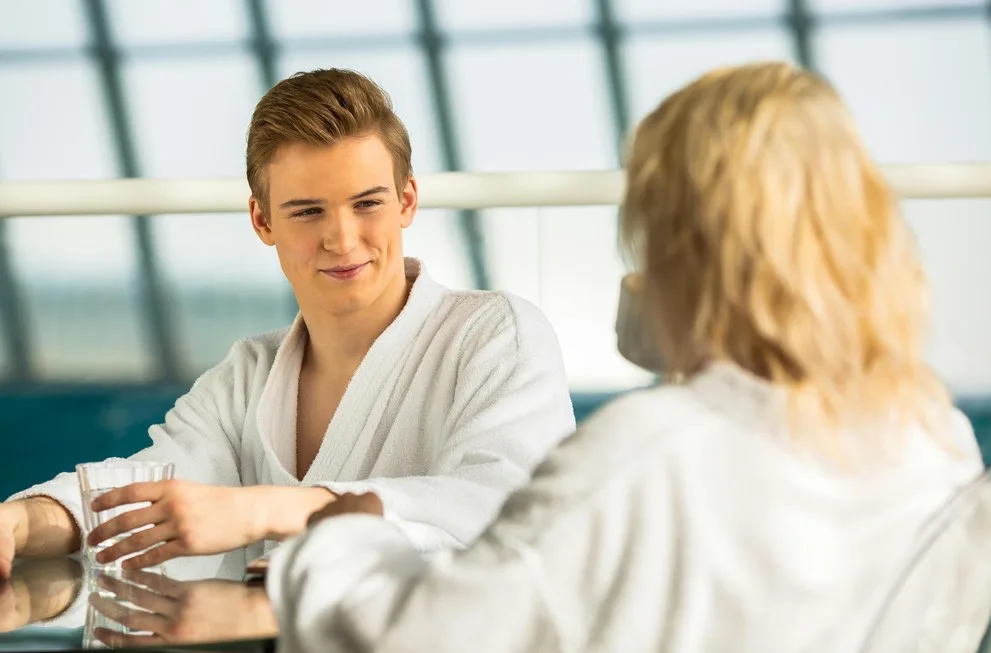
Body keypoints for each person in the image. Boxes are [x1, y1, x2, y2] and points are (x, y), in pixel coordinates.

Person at [263, 62, 991, 653]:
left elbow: (415, 645)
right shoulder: (940, 442)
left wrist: (342, 542)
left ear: (679, 243)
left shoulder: (645, 454)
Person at [0, 68, 575, 578]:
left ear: (406, 201)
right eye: (308, 211)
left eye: (367, 203)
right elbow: (148, 487)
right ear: (262, 218)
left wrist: (262, 508)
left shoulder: (497, 335)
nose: (341, 238)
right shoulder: (249, 373)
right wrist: (22, 523)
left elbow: (506, 506)